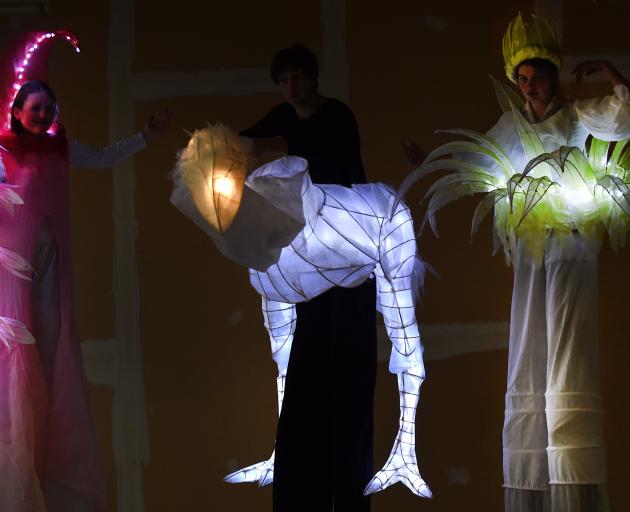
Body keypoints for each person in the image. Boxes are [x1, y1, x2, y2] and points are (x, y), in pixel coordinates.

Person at [0, 77, 170, 512]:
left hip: (53, 262)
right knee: (19, 346)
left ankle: (47, 445)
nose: (41, 115)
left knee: (53, 344)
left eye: (47, 109)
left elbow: (107, 157)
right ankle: (15, 451)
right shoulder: (3, 152)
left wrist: (145, 138)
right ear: (17, 112)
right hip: (12, 268)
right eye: (33, 108)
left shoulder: (61, 149)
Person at [486, 14, 629, 512]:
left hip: (569, 241)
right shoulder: (511, 124)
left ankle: (575, 486)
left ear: (552, 75)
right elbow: (482, 161)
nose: (531, 88)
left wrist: (611, 71)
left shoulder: (574, 115)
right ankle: (532, 485)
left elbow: (623, 114)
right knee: (529, 344)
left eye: (538, 77)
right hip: (531, 249)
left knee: (568, 346)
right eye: (523, 81)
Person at [240, 44, 377, 511]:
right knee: (309, 371)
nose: (291, 88)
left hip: (347, 248)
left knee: (347, 370)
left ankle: (346, 486)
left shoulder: (337, 116)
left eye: (297, 78)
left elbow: (334, 169)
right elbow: (241, 142)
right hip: (309, 258)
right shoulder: (282, 117)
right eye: (283, 80)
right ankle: (305, 490)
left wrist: (281, 151)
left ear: (313, 79)